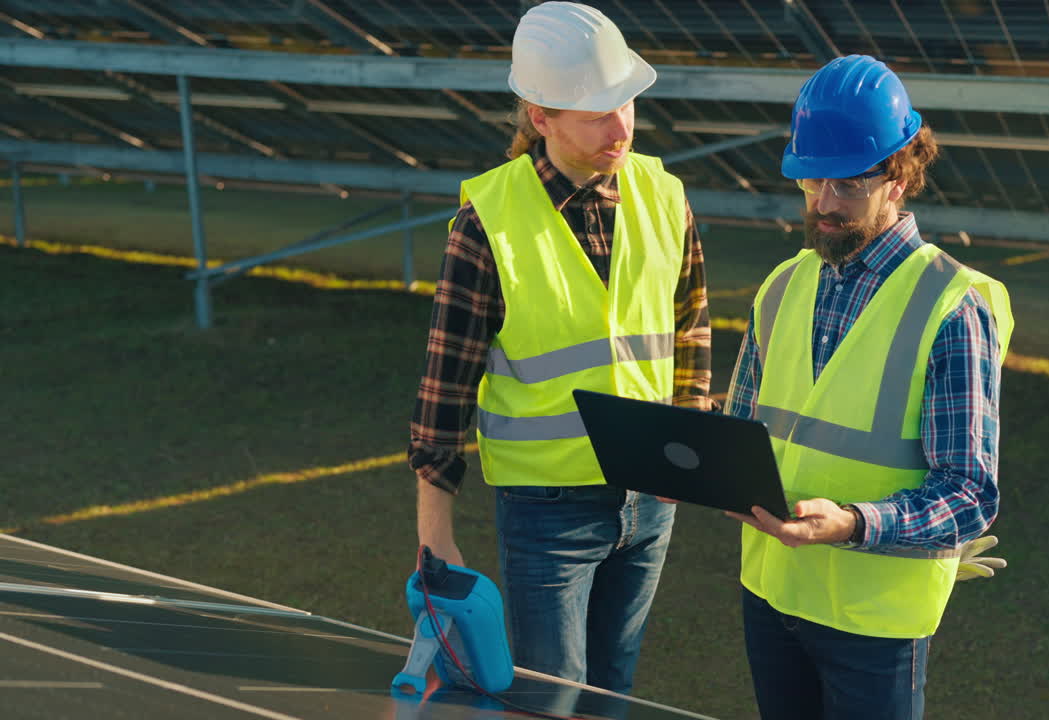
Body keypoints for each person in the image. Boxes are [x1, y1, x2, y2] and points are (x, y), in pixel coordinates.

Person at [407, 1, 712, 695]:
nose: (622, 125)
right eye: (597, 112)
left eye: (627, 102)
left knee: (611, 688)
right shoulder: (487, 222)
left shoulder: (666, 195)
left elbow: (691, 325)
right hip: (548, 508)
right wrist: (435, 534)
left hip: (649, 502)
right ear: (539, 117)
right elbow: (444, 388)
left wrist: (685, 446)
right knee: (554, 695)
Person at [723, 54, 1014, 720]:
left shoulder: (950, 306)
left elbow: (969, 493)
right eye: (811, 180)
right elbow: (742, 430)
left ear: (901, 176)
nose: (824, 203)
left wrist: (853, 525)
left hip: (875, 621)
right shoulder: (783, 286)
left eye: (848, 184)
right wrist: (688, 458)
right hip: (771, 596)